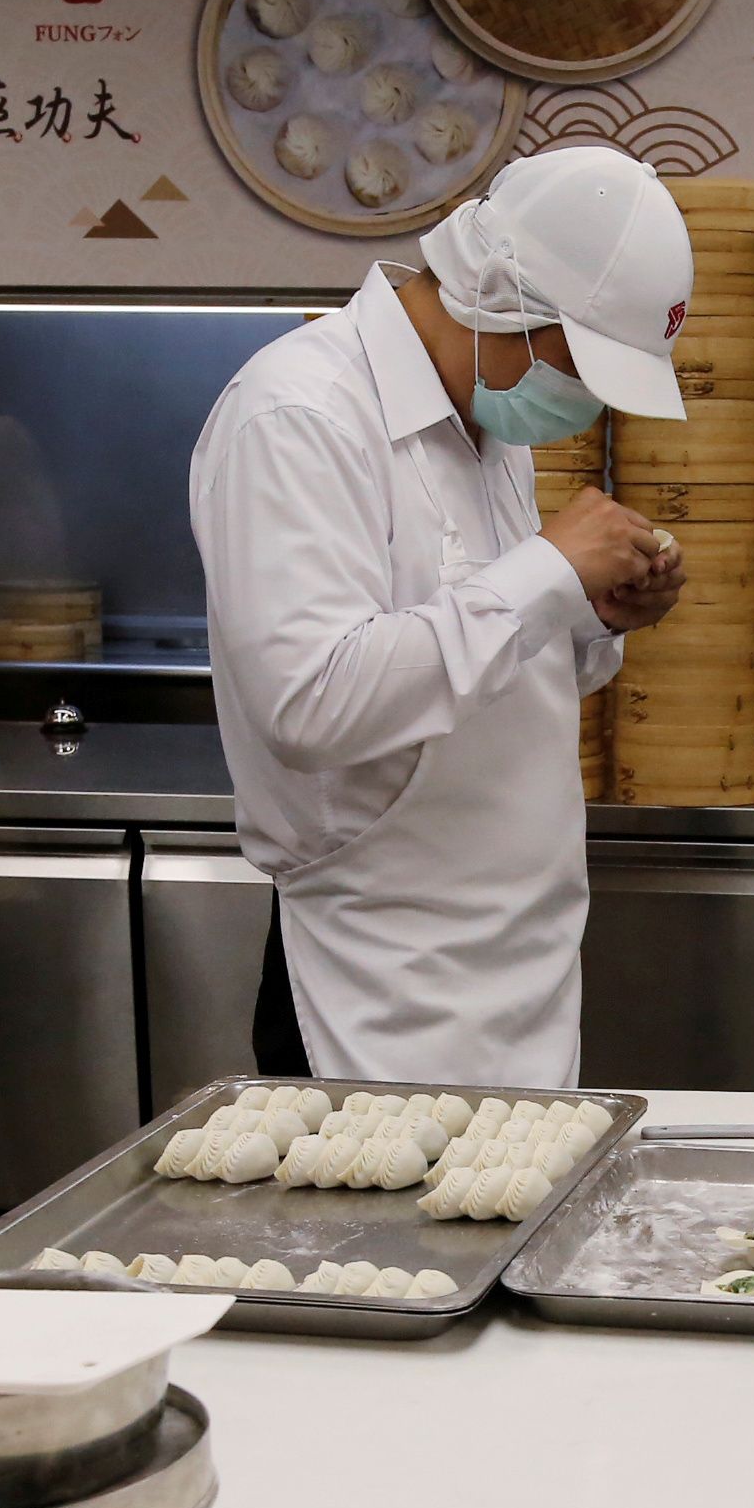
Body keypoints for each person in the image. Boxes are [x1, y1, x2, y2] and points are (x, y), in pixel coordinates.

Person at [194, 146, 690, 1086]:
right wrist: (547, 570)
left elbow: (489, 664)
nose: (581, 402)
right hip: (373, 973)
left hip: (519, 966)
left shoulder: (490, 421)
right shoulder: (298, 413)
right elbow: (310, 706)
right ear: (501, 298)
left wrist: (595, 617)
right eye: (580, 364)